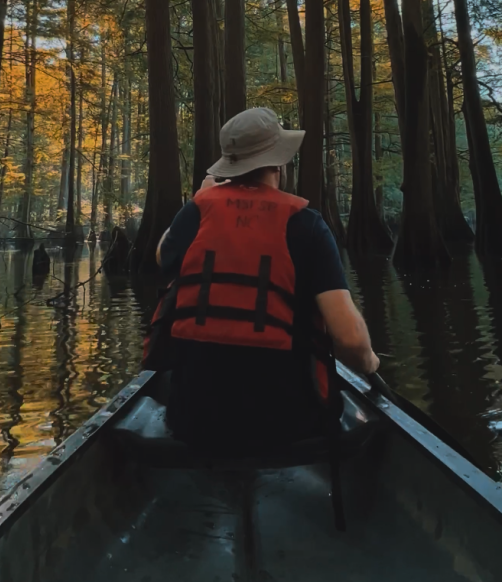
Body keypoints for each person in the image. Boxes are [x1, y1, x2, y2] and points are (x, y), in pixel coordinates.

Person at [143, 107, 379, 452]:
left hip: (192, 420)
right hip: (289, 425)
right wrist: (370, 362)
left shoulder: (197, 211)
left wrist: (199, 198)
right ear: (278, 164)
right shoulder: (307, 224)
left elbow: (163, 255)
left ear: (229, 167)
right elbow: (349, 339)